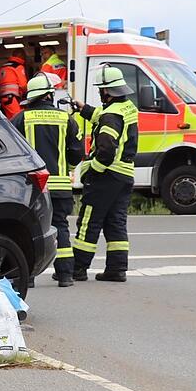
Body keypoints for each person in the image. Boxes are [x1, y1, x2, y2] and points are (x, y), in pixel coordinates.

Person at [11, 74, 83, 286]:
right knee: (60, 227)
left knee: (29, 230)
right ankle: (65, 275)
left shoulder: (20, 119)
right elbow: (77, 153)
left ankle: (28, 278)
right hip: (60, 188)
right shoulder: (66, 119)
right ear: (49, 95)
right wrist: (66, 167)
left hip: (31, 188)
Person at [70, 65, 138, 282]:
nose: (100, 93)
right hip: (124, 175)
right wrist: (84, 109)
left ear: (107, 91)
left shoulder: (111, 116)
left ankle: (77, 269)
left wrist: (92, 170)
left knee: (88, 221)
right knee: (115, 222)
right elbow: (103, 116)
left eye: (101, 89)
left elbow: (106, 150)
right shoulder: (126, 107)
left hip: (106, 175)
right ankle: (117, 269)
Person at [0, 49, 28, 120]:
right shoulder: (19, 67)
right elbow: (23, 85)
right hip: (12, 99)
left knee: (10, 119)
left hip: (4, 99)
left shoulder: (2, 67)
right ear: (21, 56)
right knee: (17, 119)